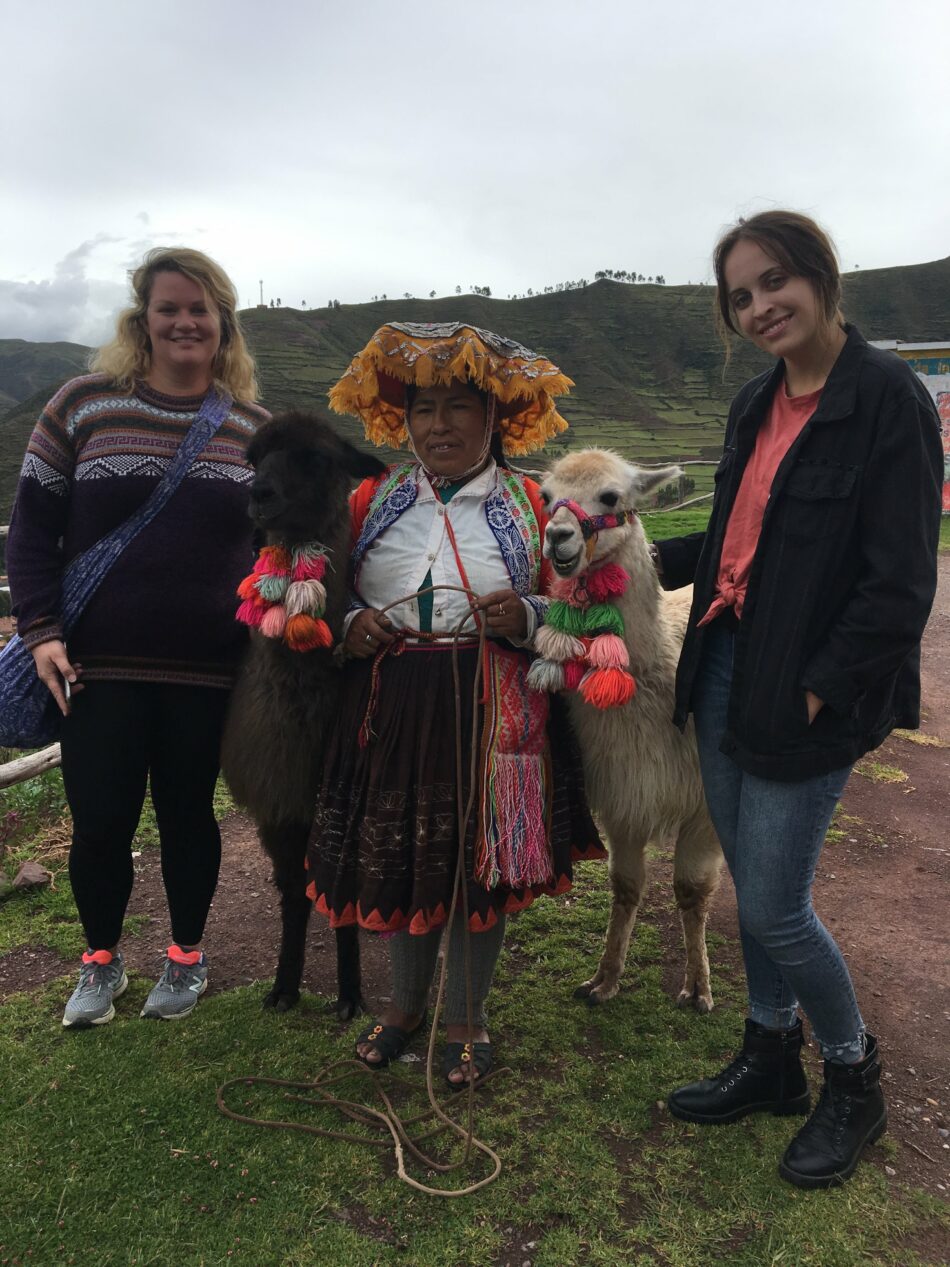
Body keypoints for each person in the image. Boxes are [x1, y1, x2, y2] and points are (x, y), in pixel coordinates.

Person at [652, 211, 942, 1188]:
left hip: (807, 688)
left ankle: (853, 1082)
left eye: (773, 281)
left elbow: (898, 583)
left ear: (818, 276)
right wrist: (628, 563)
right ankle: (770, 1055)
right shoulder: (752, 404)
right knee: (748, 883)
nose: (759, 305)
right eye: (739, 295)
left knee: (774, 908)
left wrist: (820, 693)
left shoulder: (885, 399)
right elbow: (735, 546)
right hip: (727, 660)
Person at [305, 322, 604, 1087]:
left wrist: (531, 618)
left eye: (457, 408)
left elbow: (577, 607)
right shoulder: (370, 499)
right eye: (425, 408)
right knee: (405, 857)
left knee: (480, 864)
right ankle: (404, 1008)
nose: (438, 425)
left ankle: (467, 1017)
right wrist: (349, 624)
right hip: (390, 701)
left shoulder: (537, 506)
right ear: (404, 419)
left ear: (495, 418)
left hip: (490, 703)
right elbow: (326, 589)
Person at [6, 248, 269, 1026]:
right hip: (95, 665)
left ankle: (186, 955)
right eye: (170, 308)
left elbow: (269, 548)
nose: (185, 321)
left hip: (209, 671)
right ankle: (99, 961)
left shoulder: (251, 428)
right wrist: (41, 630)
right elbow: (31, 530)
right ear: (143, 320)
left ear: (223, 323)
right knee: (100, 818)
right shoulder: (83, 406)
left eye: (201, 308)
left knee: (190, 814)